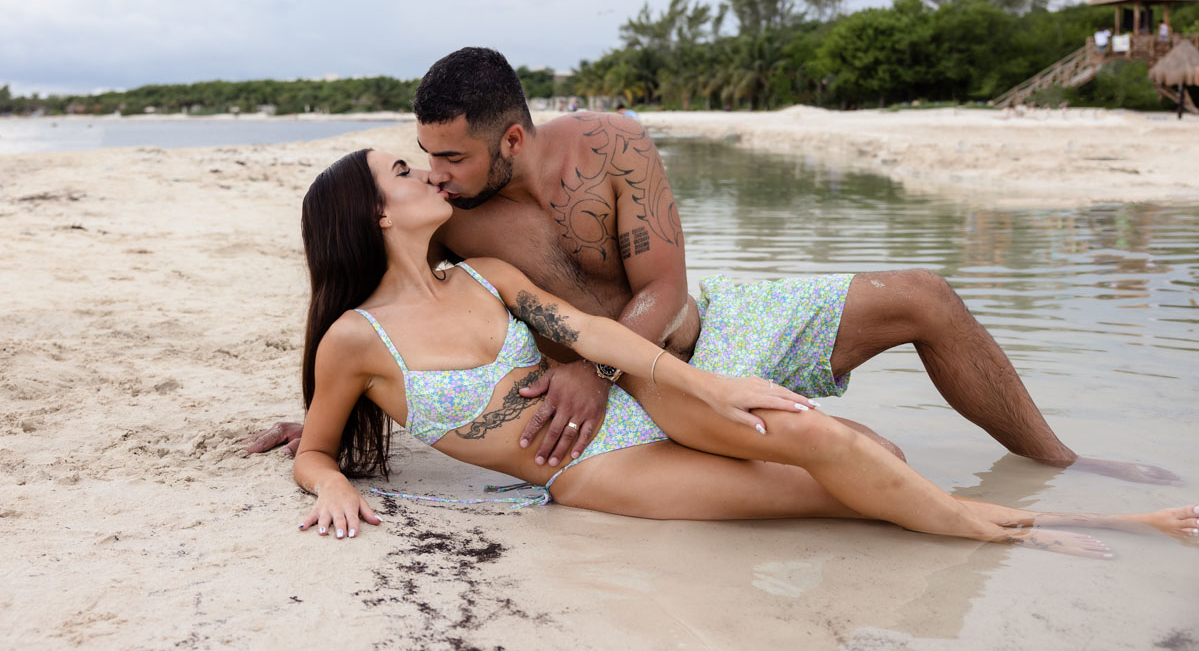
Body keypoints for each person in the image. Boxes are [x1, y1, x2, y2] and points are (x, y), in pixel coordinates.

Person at [249, 47, 1178, 486]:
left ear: (514, 138)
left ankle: (1060, 463)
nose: (438, 176)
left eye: (451, 157)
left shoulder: (610, 147)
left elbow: (665, 286)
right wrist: (329, 417)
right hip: (631, 397)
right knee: (870, 462)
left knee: (926, 296)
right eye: (425, 158)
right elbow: (377, 306)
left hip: (704, 330)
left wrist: (593, 366)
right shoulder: (446, 221)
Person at [292, 148, 1198, 556]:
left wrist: (708, 383)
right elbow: (318, 449)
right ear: (374, 214)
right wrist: (326, 478)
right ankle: (1102, 527)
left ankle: (1030, 514)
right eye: (403, 172)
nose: (425, 172)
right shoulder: (357, 340)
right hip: (589, 470)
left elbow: (594, 335)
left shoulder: (483, 273)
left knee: (866, 451)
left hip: (643, 399)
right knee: (839, 494)